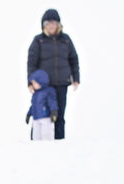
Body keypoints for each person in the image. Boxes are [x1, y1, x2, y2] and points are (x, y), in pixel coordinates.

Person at [27, 9, 80, 140]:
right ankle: (36, 144)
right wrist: (30, 82)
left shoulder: (66, 40)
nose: (51, 25)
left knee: (59, 115)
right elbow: (31, 62)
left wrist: (76, 78)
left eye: (54, 22)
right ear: (44, 25)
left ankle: (59, 143)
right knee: (41, 115)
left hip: (62, 83)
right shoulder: (38, 41)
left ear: (58, 24)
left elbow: (73, 59)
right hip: (44, 85)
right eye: (48, 23)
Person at [26, 69, 59, 141]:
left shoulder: (49, 91)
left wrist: (54, 111)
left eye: (35, 83)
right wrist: (29, 114)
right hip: (36, 118)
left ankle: (48, 149)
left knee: (47, 135)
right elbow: (33, 105)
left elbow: (52, 102)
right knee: (36, 136)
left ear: (41, 81)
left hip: (46, 118)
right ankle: (37, 150)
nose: (33, 85)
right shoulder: (35, 94)